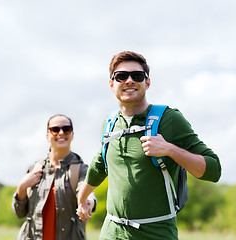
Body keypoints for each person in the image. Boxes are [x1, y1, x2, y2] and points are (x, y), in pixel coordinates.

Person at [77, 51, 222, 239]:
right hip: (111, 233)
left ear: (147, 82)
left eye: (137, 76)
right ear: (112, 84)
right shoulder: (110, 122)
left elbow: (214, 170)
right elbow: (99, 165)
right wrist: (82, 199)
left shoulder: (169, 119)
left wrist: (169, 150)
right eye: (121, 76)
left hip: (156, 234)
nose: (129, 81)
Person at [12, 114, 96, 240]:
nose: (61, 133)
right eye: (55, 129)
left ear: (72, 135)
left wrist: (89, 202)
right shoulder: (35, 167)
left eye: (66, 129)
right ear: (47, 136)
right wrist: (22, 187)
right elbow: (20, 213)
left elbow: (86, 191)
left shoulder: (81, 169)